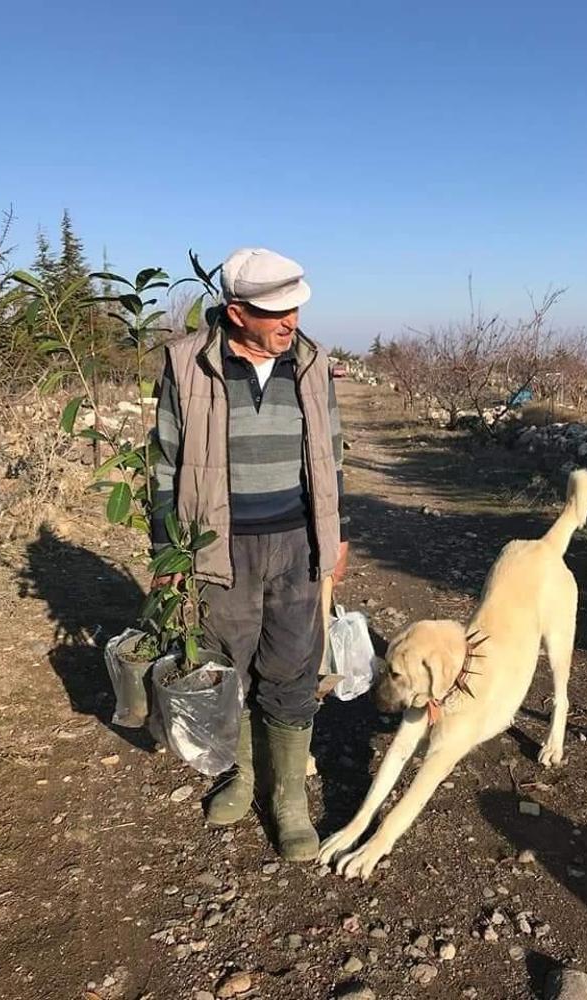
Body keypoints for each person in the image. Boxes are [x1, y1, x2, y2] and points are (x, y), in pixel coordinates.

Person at [151, 247, 349, 861]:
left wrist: (336, 530)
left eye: (294, 306)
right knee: (227, 661)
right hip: (218, 546)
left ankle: (288, 797)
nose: (290, 319)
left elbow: (333, 450)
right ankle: (239, 774)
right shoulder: (187, 364)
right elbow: (163, 462)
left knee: (293, 663)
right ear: (236, 312)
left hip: (297, 542)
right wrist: (168, 555)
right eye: (274, 310)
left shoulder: (312, 362)